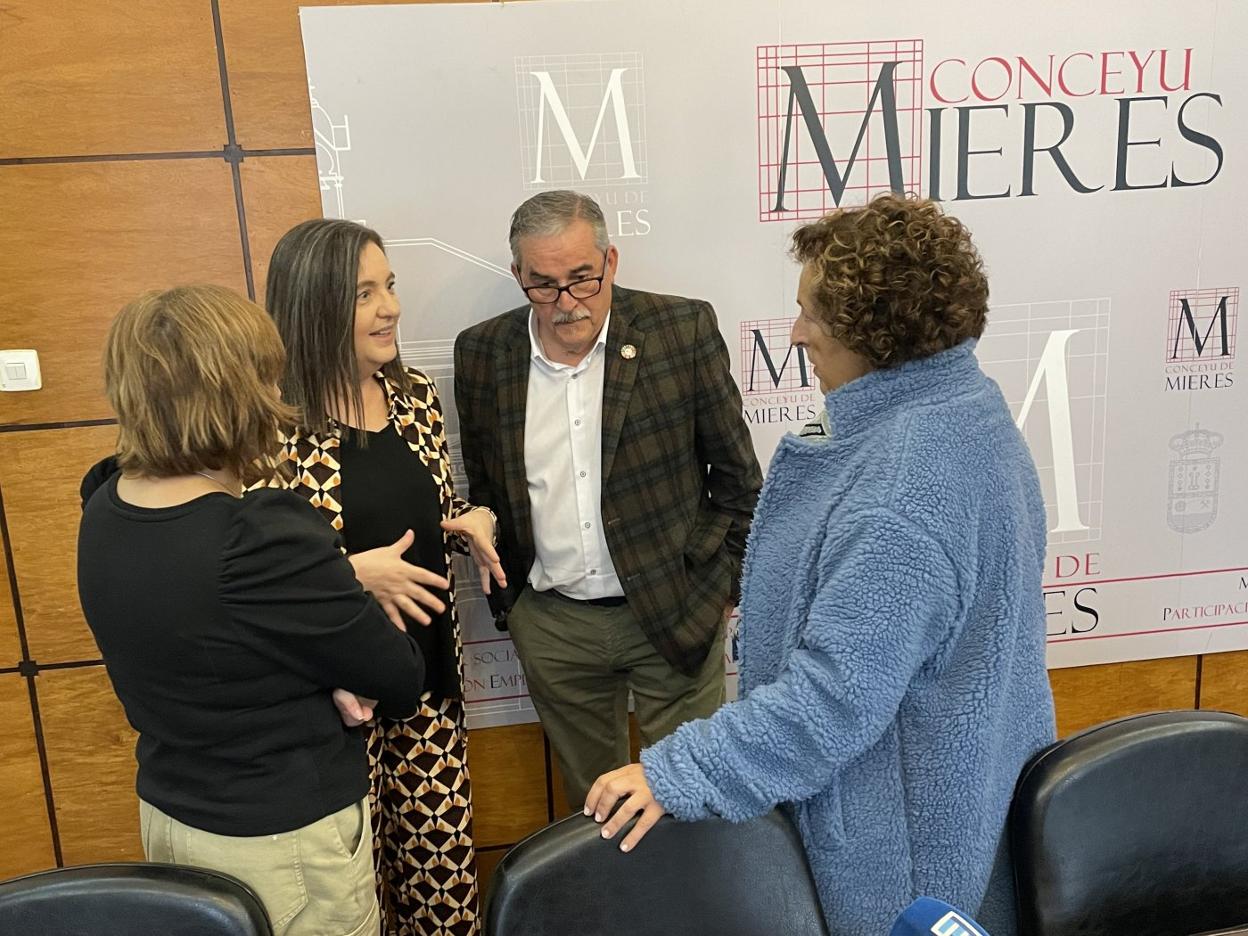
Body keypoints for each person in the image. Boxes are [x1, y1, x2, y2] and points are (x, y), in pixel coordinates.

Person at [585, 193, 1057, 936]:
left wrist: (680, 771)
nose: (797, 332)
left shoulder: (902, 489)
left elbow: (834, 701)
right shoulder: (969, 411)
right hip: (967, 802)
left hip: (902, 854)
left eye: (812, 314)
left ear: (874, 333)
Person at [78, 284, 427, 936]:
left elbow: (219, 628)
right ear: (237, 393)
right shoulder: (258, 536)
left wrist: (324, 647)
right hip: (281, 845)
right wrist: (337, 661)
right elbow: (400, 675)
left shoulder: (105, 503)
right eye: (267, 377)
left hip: (172, 820)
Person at [454, 190, 763, 808]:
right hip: (553, 625)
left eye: (582, 279)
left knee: (689, 800)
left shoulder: (679, 330)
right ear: (517, 274)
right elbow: (487, 483)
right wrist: (513, 600)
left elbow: (738, 479)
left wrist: (718, 587)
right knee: (593, 812)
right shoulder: (484, 352)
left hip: (675, 609)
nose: (567, 302)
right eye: (544, 285)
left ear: (611, 262)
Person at [264, 218, 503, 936]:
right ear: (314, 306)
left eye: (389, 286)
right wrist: (346, 574)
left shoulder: (415, 397)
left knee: (444, 898)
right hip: (336, 709)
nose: (391, 307)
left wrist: (469, 520)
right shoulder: (270, 425)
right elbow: (251, 576)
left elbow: (422, 511)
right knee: (351, 905)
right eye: (365, 294)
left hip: (427, 691)